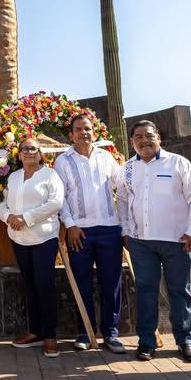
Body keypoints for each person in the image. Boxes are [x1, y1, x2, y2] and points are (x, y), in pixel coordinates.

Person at [118, 120, 191, 362]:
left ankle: (186, 341)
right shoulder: (126, 169)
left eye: (149, 136)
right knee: (146, 291)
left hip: (177, 241)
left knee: (180, 291)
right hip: (141, 242)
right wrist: (125, 232)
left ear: (158, 137)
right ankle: (146, 341)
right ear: (131, 141)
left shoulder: (178, 163)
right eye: (138, 137)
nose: (144, 141)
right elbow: (123, 202)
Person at [54, 114, 127, 353]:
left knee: (111, 282)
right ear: (71, 134)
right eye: (78, 129)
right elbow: (61, 197)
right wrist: (71, 225)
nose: (83, 133)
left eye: (87, 128)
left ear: (94, 132)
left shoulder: (106, 157)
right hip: (80, 232)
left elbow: (123, 187)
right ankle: (84, 331)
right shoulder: (62, 161)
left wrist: (125, 225)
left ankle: (111, 333)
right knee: (82, 282)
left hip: (109, 229)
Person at [0, 137, 65, 357]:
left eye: (34, 149)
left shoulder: (50, 175)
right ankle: (35, 332)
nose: (30, 152)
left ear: (40, 153)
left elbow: (55, 203)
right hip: (18, 238)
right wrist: (9, 217)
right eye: (25, 148)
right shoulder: (13, 177)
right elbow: (1, 203)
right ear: (19, 154)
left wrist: (25, 218)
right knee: (30, 285)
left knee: (45, 285)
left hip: (44, 238)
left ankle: (50, 336)